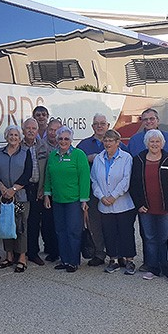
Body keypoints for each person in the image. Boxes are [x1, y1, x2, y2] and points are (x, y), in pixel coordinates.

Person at [129, 129, 168, 282]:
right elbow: (134, 184)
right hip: (146, 208)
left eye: (157, 141)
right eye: (151, 141)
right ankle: (152, 268)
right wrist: (139, 204)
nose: (154, 144)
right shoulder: (139, 159)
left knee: (166, 239)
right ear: (147, 143)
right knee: (150, 238)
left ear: (162, 143)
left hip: (165, 208)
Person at [43, 126, 89, 273]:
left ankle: (73, 261)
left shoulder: (78, 155)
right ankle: (64, 260)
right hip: (57, 200)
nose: (63, 141)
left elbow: (84, 178)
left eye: (66, 139)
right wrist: (47, 194)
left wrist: (84, 200)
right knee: (60, 231)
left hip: (73, 200)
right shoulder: (53, 155)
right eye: (61, 138)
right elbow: (48, 176)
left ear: (71, 140)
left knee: (73, 231)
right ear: (57, 139)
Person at [91, 129, 137, 275]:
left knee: (126, 232)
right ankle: (113, 260)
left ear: (118, 142)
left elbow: (126, 180)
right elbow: (94, 180)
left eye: (111, 140)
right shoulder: (98, 158)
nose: (107, 143)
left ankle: (129, 260)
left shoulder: (126, 158)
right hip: (104, 204)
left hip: (123, 204)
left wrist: (113, 196)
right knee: (109, 233)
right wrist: (101, 196)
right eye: (105, 140)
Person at [0, 125, 33, 273]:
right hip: (4, 197)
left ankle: (22, 258)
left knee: (21, 226)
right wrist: (2, 188)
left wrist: (13, 189)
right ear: (6, 136)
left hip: (20, 196)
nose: (13, 137)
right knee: (6, 225)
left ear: (20, 137)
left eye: (16, 135)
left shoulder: (25, 152)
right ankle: (9, 256)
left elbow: (27, 174)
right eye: (11, 135)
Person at [75, 113, 110, 266]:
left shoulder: (117, 143)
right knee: (95, 223)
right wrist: (87, 158)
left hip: (112, 193)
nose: (99, 126)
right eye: (96, 123)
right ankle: (99, 253)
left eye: (102, 123)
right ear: (92, 126)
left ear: (108, 126)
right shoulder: (83, 145)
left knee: (113, 224)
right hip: (91, 191)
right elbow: (74, 165)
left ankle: (116, 253)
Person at [22, 117, 52, 263]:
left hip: (37, 189)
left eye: (34, 128)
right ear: (23, 130)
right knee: (21, 222)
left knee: (34, 222)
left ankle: (33, 252)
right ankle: (20, 252)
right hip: (22, 188)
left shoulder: (43, 146)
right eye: (28, 128)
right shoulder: (18, 146)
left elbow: (48, 170)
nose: (31, 131)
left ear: (37, 130)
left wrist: (43, 189)